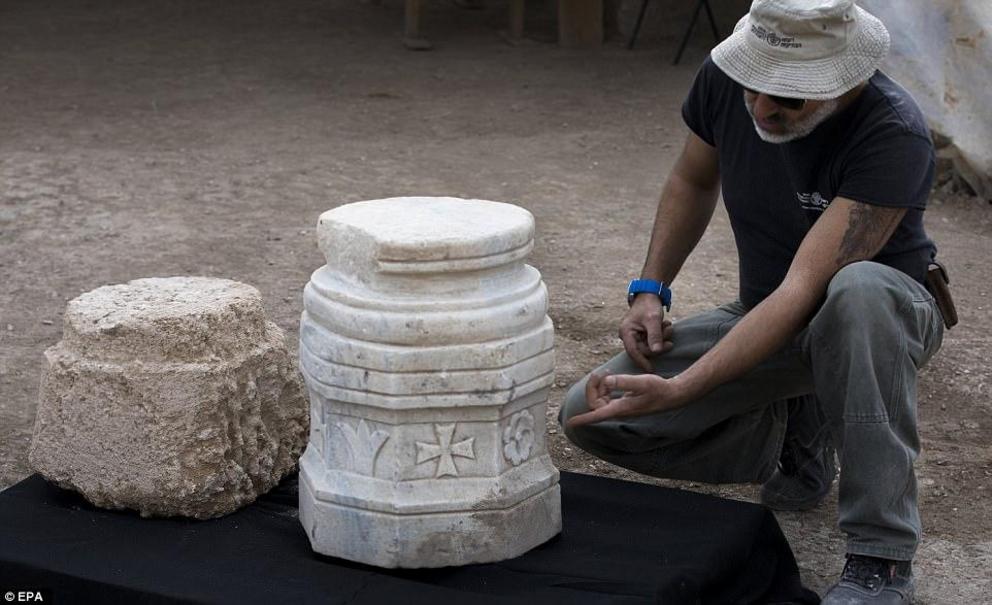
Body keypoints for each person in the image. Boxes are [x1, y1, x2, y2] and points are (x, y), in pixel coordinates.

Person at [558, 1, 947, 603]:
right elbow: (692, 179)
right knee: (591, 419)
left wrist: (688, 387)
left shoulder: (892, 131)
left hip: (876, 320)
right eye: (754, 85)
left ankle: (881, 555)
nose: (763, 108)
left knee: (858, 291)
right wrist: (649, 289)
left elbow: (803, 290)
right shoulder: (722, 80)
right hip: (768, 311)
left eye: (791, 98)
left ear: (847, 81)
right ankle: (797, 429)